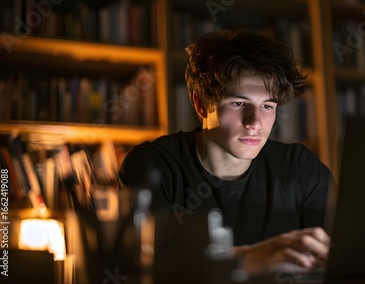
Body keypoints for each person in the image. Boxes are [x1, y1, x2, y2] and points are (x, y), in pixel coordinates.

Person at [118, 29, 333, 276]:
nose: (255, 122)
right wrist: (253, 258)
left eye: (267, 106)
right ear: (201, 103)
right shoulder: (154, 165)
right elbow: (146, 269)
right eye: (238, 103)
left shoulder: (300, 167)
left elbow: (342, 253)